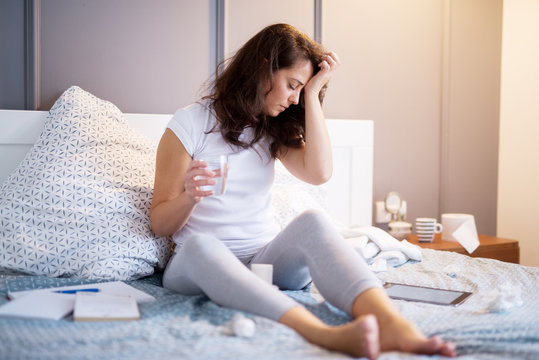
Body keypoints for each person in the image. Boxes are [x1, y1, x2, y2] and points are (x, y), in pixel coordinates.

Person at [150, 23, 456, 359]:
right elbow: (160, 224)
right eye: (292, 85)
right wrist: (190, 197)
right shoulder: (189, 124)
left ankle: (393, 325)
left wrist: (312, 94)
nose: (293, 98)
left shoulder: (270, 129)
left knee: (313, 221)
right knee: (200, 244)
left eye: (300, 90)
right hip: (196, 267)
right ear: (264, 68)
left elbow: (320, 173)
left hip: (263, 261)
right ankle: (322, 334)